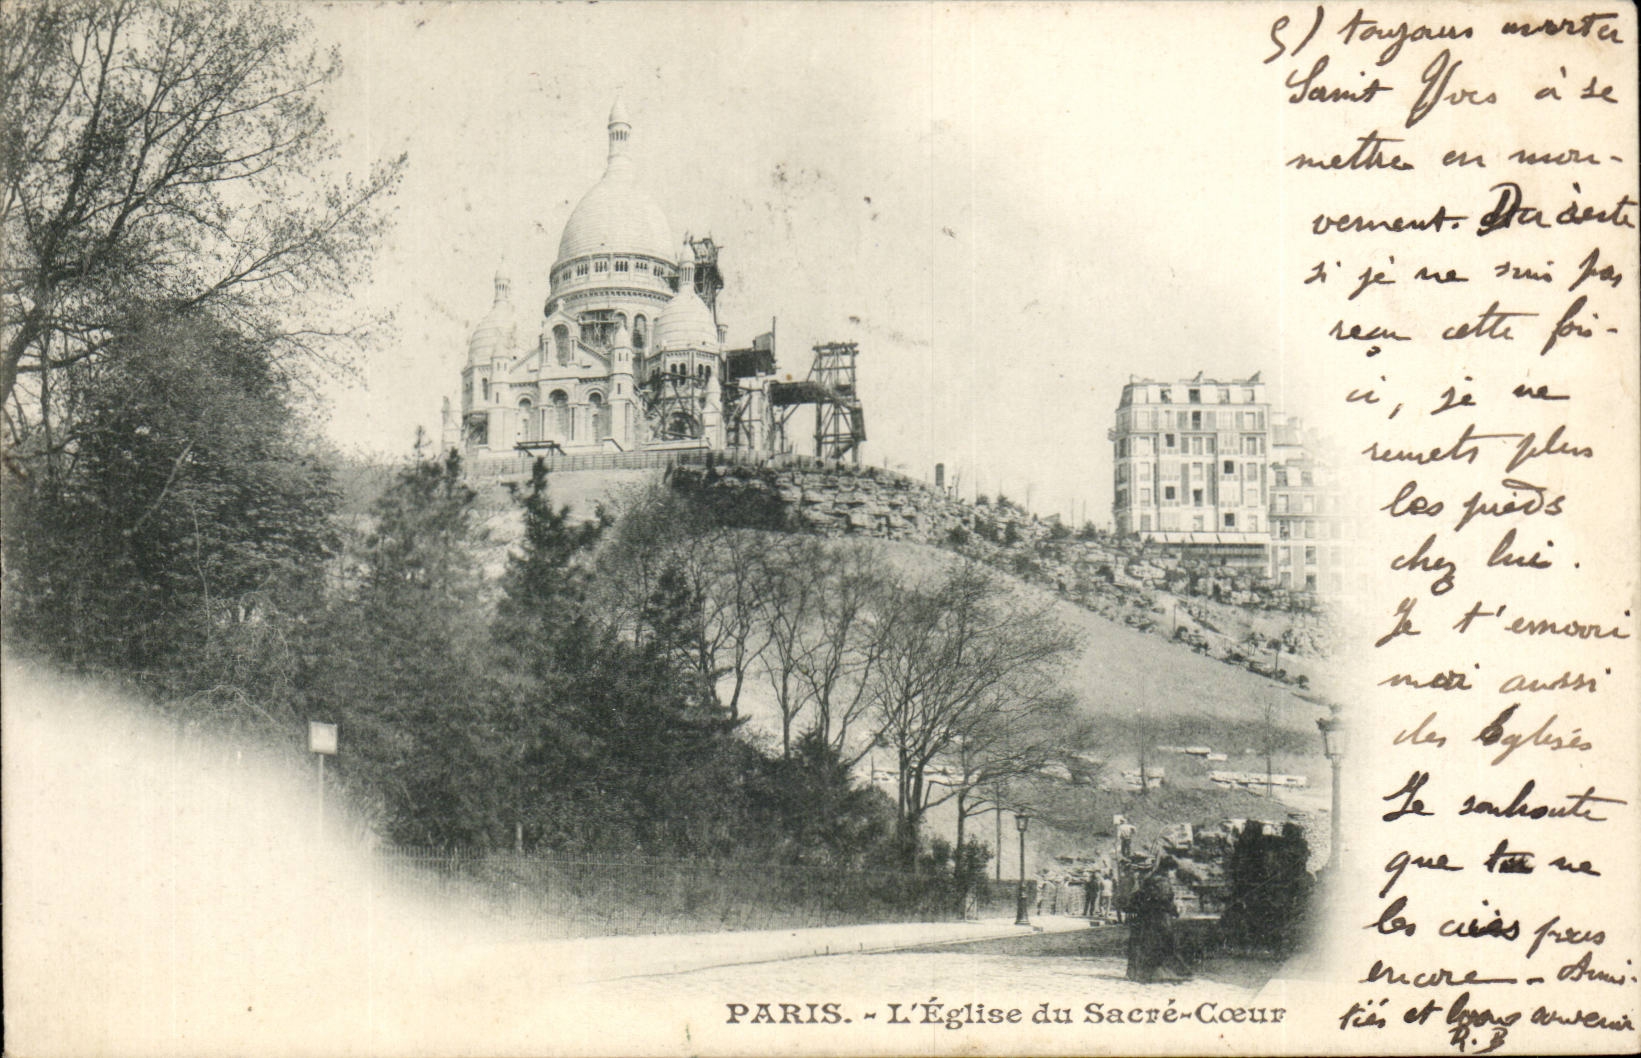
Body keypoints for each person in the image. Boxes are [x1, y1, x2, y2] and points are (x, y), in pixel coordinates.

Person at [1125, 856, 1191, 983]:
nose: (1173, 874)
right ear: (1169, 869)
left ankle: (1143, 973)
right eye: (1173, 870)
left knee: (1149, 944)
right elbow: (1163, 900)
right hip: (1160, 917)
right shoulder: (1161, 881)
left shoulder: (1152, 878)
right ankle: (1166, 974)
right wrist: (1175, 909)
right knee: (1165, 943)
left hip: (1149, 917)